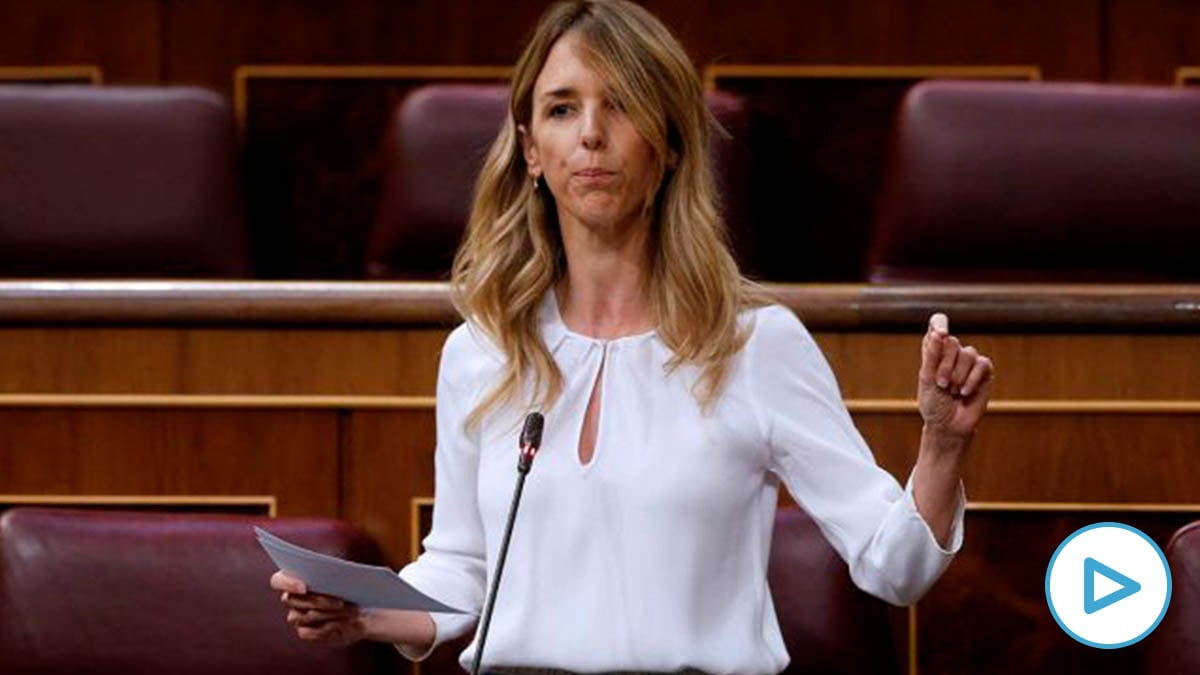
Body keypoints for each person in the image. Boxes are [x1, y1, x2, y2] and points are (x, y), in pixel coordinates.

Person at [270, 0, 995, 672]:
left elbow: (893, 566)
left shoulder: (754, 345)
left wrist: (942, 445)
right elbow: (464, 566)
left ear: (670, 144)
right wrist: (364, 609)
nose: (590, 132)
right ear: (529, 149)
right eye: (562, 108)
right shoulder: (481, 352)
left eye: (618, 104)